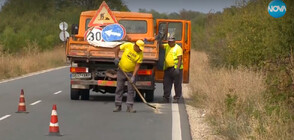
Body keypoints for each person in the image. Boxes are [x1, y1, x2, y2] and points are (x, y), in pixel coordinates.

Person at [112, 40, 144, 113]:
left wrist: (133, 76)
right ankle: (118, 105)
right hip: (121, 70)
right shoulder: (128, 45)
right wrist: (116, 58)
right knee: (119, 88)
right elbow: (117, 48)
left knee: (131, 90)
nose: (140, 50)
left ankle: (129, 106)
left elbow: (137, 65)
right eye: (139, 48)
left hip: (131, 73)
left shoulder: (140, 54)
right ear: (136, 45)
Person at [160, 37, 183, 103]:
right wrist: (159, 39)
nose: (170, 43)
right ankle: (166, 97)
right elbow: (160, 46)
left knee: (177, 84)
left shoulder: (178, 48)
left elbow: (179, 59)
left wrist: (177, 69)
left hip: (175, 68)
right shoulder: (167, 46)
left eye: (171, 41)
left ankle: (177, 97)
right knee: (166, 83)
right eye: (169, 41)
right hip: (168, 69)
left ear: (174, 42)